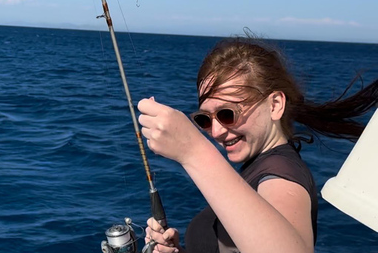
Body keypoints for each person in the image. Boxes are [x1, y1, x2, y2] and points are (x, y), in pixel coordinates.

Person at [137, 37, 378, 253]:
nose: (217, 131)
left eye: (228, 114)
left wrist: (193, 151)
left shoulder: (281, 177)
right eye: (205, 119)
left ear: (274, 105)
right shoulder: (259, 167)